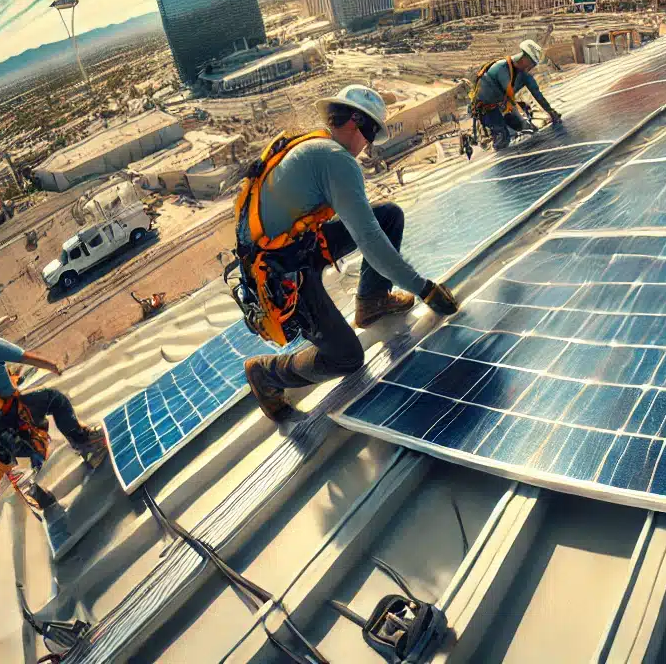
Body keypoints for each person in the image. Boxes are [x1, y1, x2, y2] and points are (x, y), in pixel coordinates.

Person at [240, 85, 462, 420]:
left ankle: (370, 302)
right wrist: (425, 289)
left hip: (295, 249)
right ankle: (266, 373)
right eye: (371, 133)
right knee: (346, 358)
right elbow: (370, 241)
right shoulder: (335, 160)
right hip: (283, 273)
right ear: (355, 121)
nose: (369, 145)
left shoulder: (317, 147)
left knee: (388, 215)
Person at [0, 308, 106, 514]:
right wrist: (52, 365)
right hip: (15, 416)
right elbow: (25, 358)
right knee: (56, 400)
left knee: (12, 470)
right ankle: (86, 444)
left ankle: (43, 501)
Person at [470, 39, 561, 152]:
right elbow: (509, 95)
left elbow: (537, 94)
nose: (532, 67)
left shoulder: (524, 75)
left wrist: (550, 111)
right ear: (525, 58)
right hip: (487, 110)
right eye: (532, 63)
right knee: (503, 137)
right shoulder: (501, 68)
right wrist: (520, 117)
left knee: (529, 129)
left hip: (503, 107)